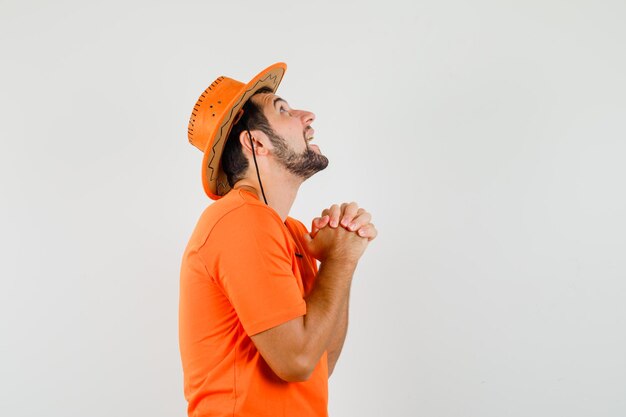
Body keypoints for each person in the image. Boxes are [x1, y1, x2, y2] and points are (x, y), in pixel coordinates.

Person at [179, 62, 377, 417]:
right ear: (256, 142)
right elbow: (296, 361)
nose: (307, 116)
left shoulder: (291, 232)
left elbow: (320, 361)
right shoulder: (240, 220)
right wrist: (338, 260)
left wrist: (344, 251)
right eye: (283, 110)